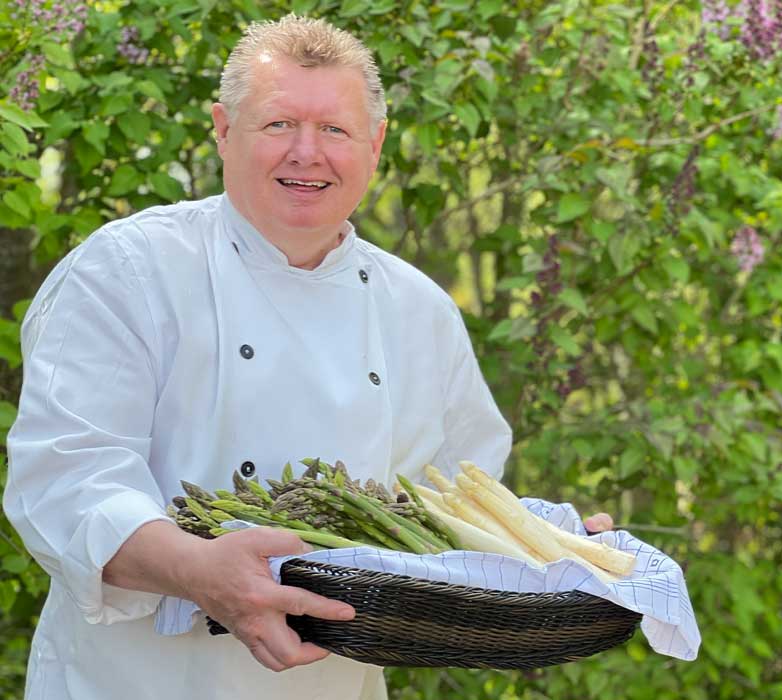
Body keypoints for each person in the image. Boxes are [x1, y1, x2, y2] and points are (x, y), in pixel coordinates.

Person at [2, 15, 515, 700]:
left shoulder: (420, 311)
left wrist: (551, 552)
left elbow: (459, 504)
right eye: (278, 125)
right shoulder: (126, 270)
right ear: (222, 129)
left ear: (376, 142)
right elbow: (67, 486)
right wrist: (197, 570)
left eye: (334, 130)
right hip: (137, 683)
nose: (307, 153)